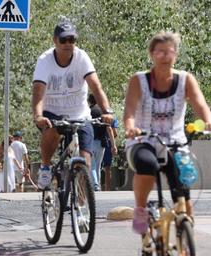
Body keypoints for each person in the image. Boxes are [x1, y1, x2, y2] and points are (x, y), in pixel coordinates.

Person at [124, 31, 211, 235]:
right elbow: (129, 111)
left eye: (169, 52)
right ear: (152, 54)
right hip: (143, 140)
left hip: (175, 142)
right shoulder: (139, 80)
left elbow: (201, 105)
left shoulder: (185, 80)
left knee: (184, 196)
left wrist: (208, 121)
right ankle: (140, 209)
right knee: (148, 163)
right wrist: (130, 127)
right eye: (159, 52)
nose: (164, 56)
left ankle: (184, 241)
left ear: (176, 55)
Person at [32, 20, 113, 190]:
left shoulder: (81, 57)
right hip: (52, 111)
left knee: (85, 157)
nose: (68, 44)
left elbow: (96, 87)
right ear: (55, 41)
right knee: (51, 131)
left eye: (72, 40)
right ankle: (45, 168)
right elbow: (38, 94)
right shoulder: (45, 61)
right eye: (64, 40)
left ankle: (82, 203)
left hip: (80, 114)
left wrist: (107, 111)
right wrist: (38, 116)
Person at [88, 94, 108, 191]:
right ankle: (97, 185)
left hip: (91, 141)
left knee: (92, 165)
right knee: (98, 165)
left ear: (89, 101)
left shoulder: (88, 111)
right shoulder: (103, 112)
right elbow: (108, 127)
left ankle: (95, 184)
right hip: (101, 142)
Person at [102, 117, 118, 191]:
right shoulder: (113, 118)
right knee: (107, 168)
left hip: (97, 142)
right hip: (108, 143)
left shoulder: (96, 115)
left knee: (96, 166)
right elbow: (115, 133)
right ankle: (107, 189)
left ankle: (96, 187)